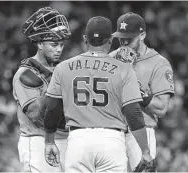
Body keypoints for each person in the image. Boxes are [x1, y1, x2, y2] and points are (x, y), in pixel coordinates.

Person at [43, 16, 152, 172]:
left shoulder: (63, 67)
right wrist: (145, 151)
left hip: (78, 141)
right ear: (110, 40)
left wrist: (49, 142)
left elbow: (52, 109)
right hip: (111, 142)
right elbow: (133, 113)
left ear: (85, 39)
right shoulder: (124, 69)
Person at [110, 12, 175, 171]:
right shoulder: (111, 58)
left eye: (129, 38)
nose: (124, 42)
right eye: (121, 38)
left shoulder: (159, 63)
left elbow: (161, 108)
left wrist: (134, 88)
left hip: (140, 133)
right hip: (111, 131)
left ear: (142, 35)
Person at [12, 7, 71, 172]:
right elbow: (35, 115)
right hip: (38, 142)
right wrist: (56, 85)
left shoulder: (60, 69)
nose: (59, 49)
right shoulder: (25, 74)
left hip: (66, 140)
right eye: (54, 44)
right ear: (39, 43)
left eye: (61, 44)